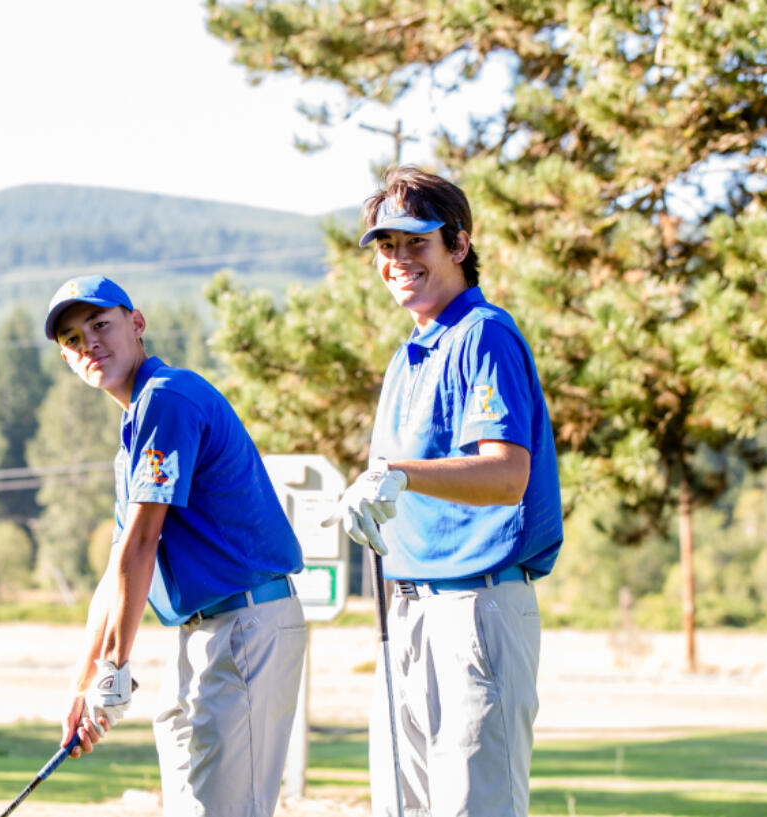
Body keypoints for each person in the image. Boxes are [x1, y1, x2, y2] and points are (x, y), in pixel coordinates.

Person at [329, 166, 563, 817]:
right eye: (386, 247)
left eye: (416, 243)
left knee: (471, 808)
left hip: (476, 609)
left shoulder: (481, 335)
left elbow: (506, 472)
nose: (398, 261)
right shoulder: (412, 353)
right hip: (410, 609)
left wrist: (398, 474)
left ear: (459, 244)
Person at [43, 274, 307, 817]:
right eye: (72, 340)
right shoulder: (137, 426)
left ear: (136, 324)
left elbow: (142, 544)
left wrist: (115, 665)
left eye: (99, 324)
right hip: (203, 636)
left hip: (243, 628)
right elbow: (118, 566)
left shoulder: (167, 399)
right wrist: (84, 682)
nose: (88, 343)